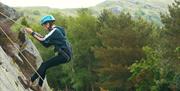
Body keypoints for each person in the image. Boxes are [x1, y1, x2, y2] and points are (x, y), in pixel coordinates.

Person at [24, 15, 72, 91]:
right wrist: (34, 33)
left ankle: (30, 81)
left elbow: (43, 39)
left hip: (64, 55)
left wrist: (32, 33)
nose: (44, 27)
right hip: (66, 55)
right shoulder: (56, 30)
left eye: (44, 25)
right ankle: (39, 87)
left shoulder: (54, 31)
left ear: (48, 24)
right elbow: (46, 44)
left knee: (44, 65)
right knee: (44, 66)